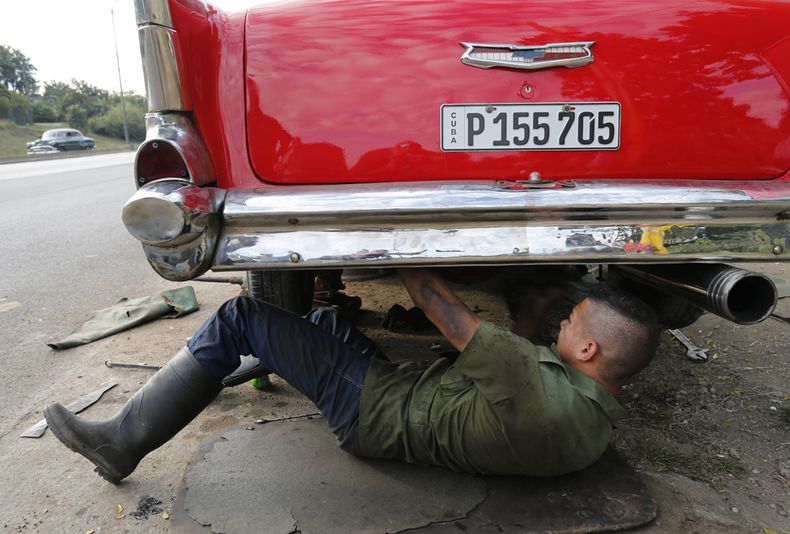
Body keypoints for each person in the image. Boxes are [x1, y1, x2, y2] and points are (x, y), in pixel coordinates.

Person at [44, 268, 659, 484]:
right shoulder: (594, 423)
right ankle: (236, 369)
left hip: (373, 414)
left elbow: (443, 309)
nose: (561, 322)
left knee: (238, 315)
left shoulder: (528, 377)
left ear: (589, 349)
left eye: (572, 321)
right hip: (402, 407)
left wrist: (399, 242)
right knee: (320, 323)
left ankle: (122, 442)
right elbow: (521, 369)